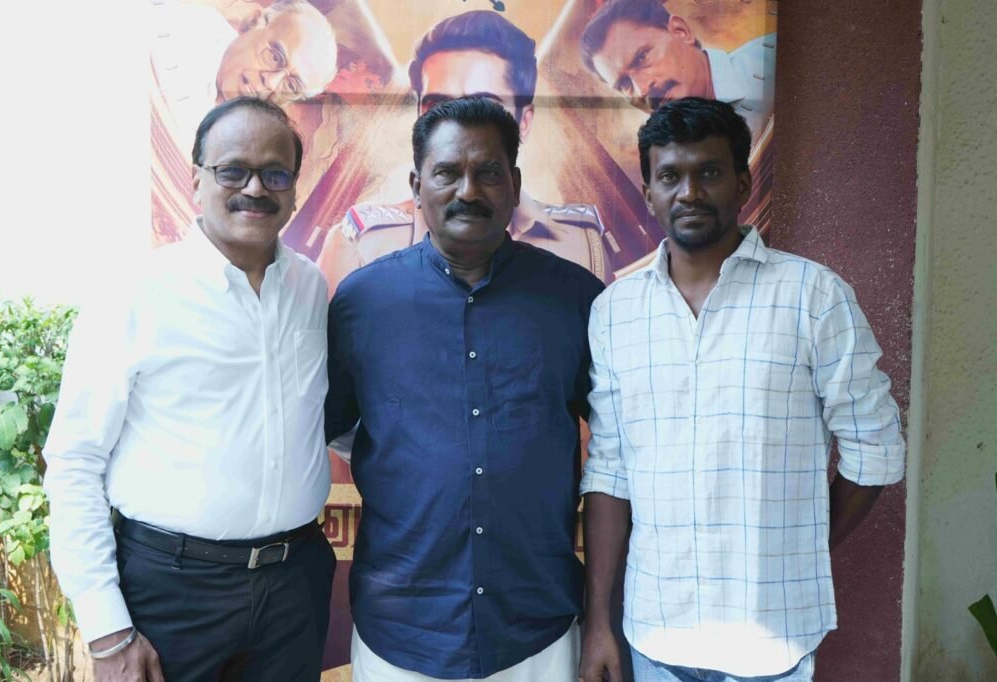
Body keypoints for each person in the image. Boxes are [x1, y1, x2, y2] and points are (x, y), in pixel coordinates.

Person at [578, 98, 905, 682]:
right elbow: (610, 470)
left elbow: (875, 450)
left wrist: (798, 549)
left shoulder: (812, 296)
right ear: (648, 193)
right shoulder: (614, 312)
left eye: (709, 172)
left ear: (744, 181)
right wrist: (599, 621)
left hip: (771, 643)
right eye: (670, 177)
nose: (689, 193)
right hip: (656, 636)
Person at [44, 97, 336, 681]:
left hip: (294, 585)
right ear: (196, 179)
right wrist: (108, 633)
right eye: (233, 170)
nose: (255, 188)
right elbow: (75, 460)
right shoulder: (136, 293)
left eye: (275, 173)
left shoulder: (310, 287)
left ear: (294, 188)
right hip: (171, 592)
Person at [325, 97, 605, 681]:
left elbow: (614, 445)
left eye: (488, 172)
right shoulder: (362, 302)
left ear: (515, 184)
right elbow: (340, 427)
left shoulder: (575, 299)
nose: (468, 191)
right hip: (403, 629)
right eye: (447, 172)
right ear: (416, 185)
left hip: (536, 626)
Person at [317, 10, 613, 295]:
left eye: (484, 107)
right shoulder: (360, 247)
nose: (459, 129)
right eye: (438, 107)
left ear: (524, 121)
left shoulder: (582, 246)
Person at [152, 0, 338, 156]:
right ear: (253, 22)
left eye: (290, 86)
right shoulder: (171, 28)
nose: (271, 83)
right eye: (275, 57)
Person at [580, 0, 775, 145]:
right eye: (624, 84)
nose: (642, 89)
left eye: (642, 57)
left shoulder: (774, 65)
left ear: (681, 31)